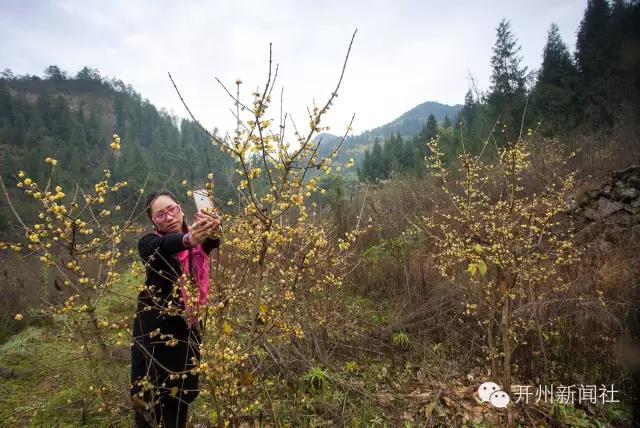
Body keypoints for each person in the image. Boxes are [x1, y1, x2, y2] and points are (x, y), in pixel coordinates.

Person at [131, 190, 221, 427]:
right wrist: (188, 239)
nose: (169, 217)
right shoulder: (150, 243)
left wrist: (211, 226)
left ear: (181, 209)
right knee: (149, 398)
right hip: (154, 333)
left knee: (181, 395)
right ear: (153, 222)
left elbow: (212, 240)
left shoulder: (198, 243)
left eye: (172, 209)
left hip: (188, 328)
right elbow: (160, 247)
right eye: (160, 215)